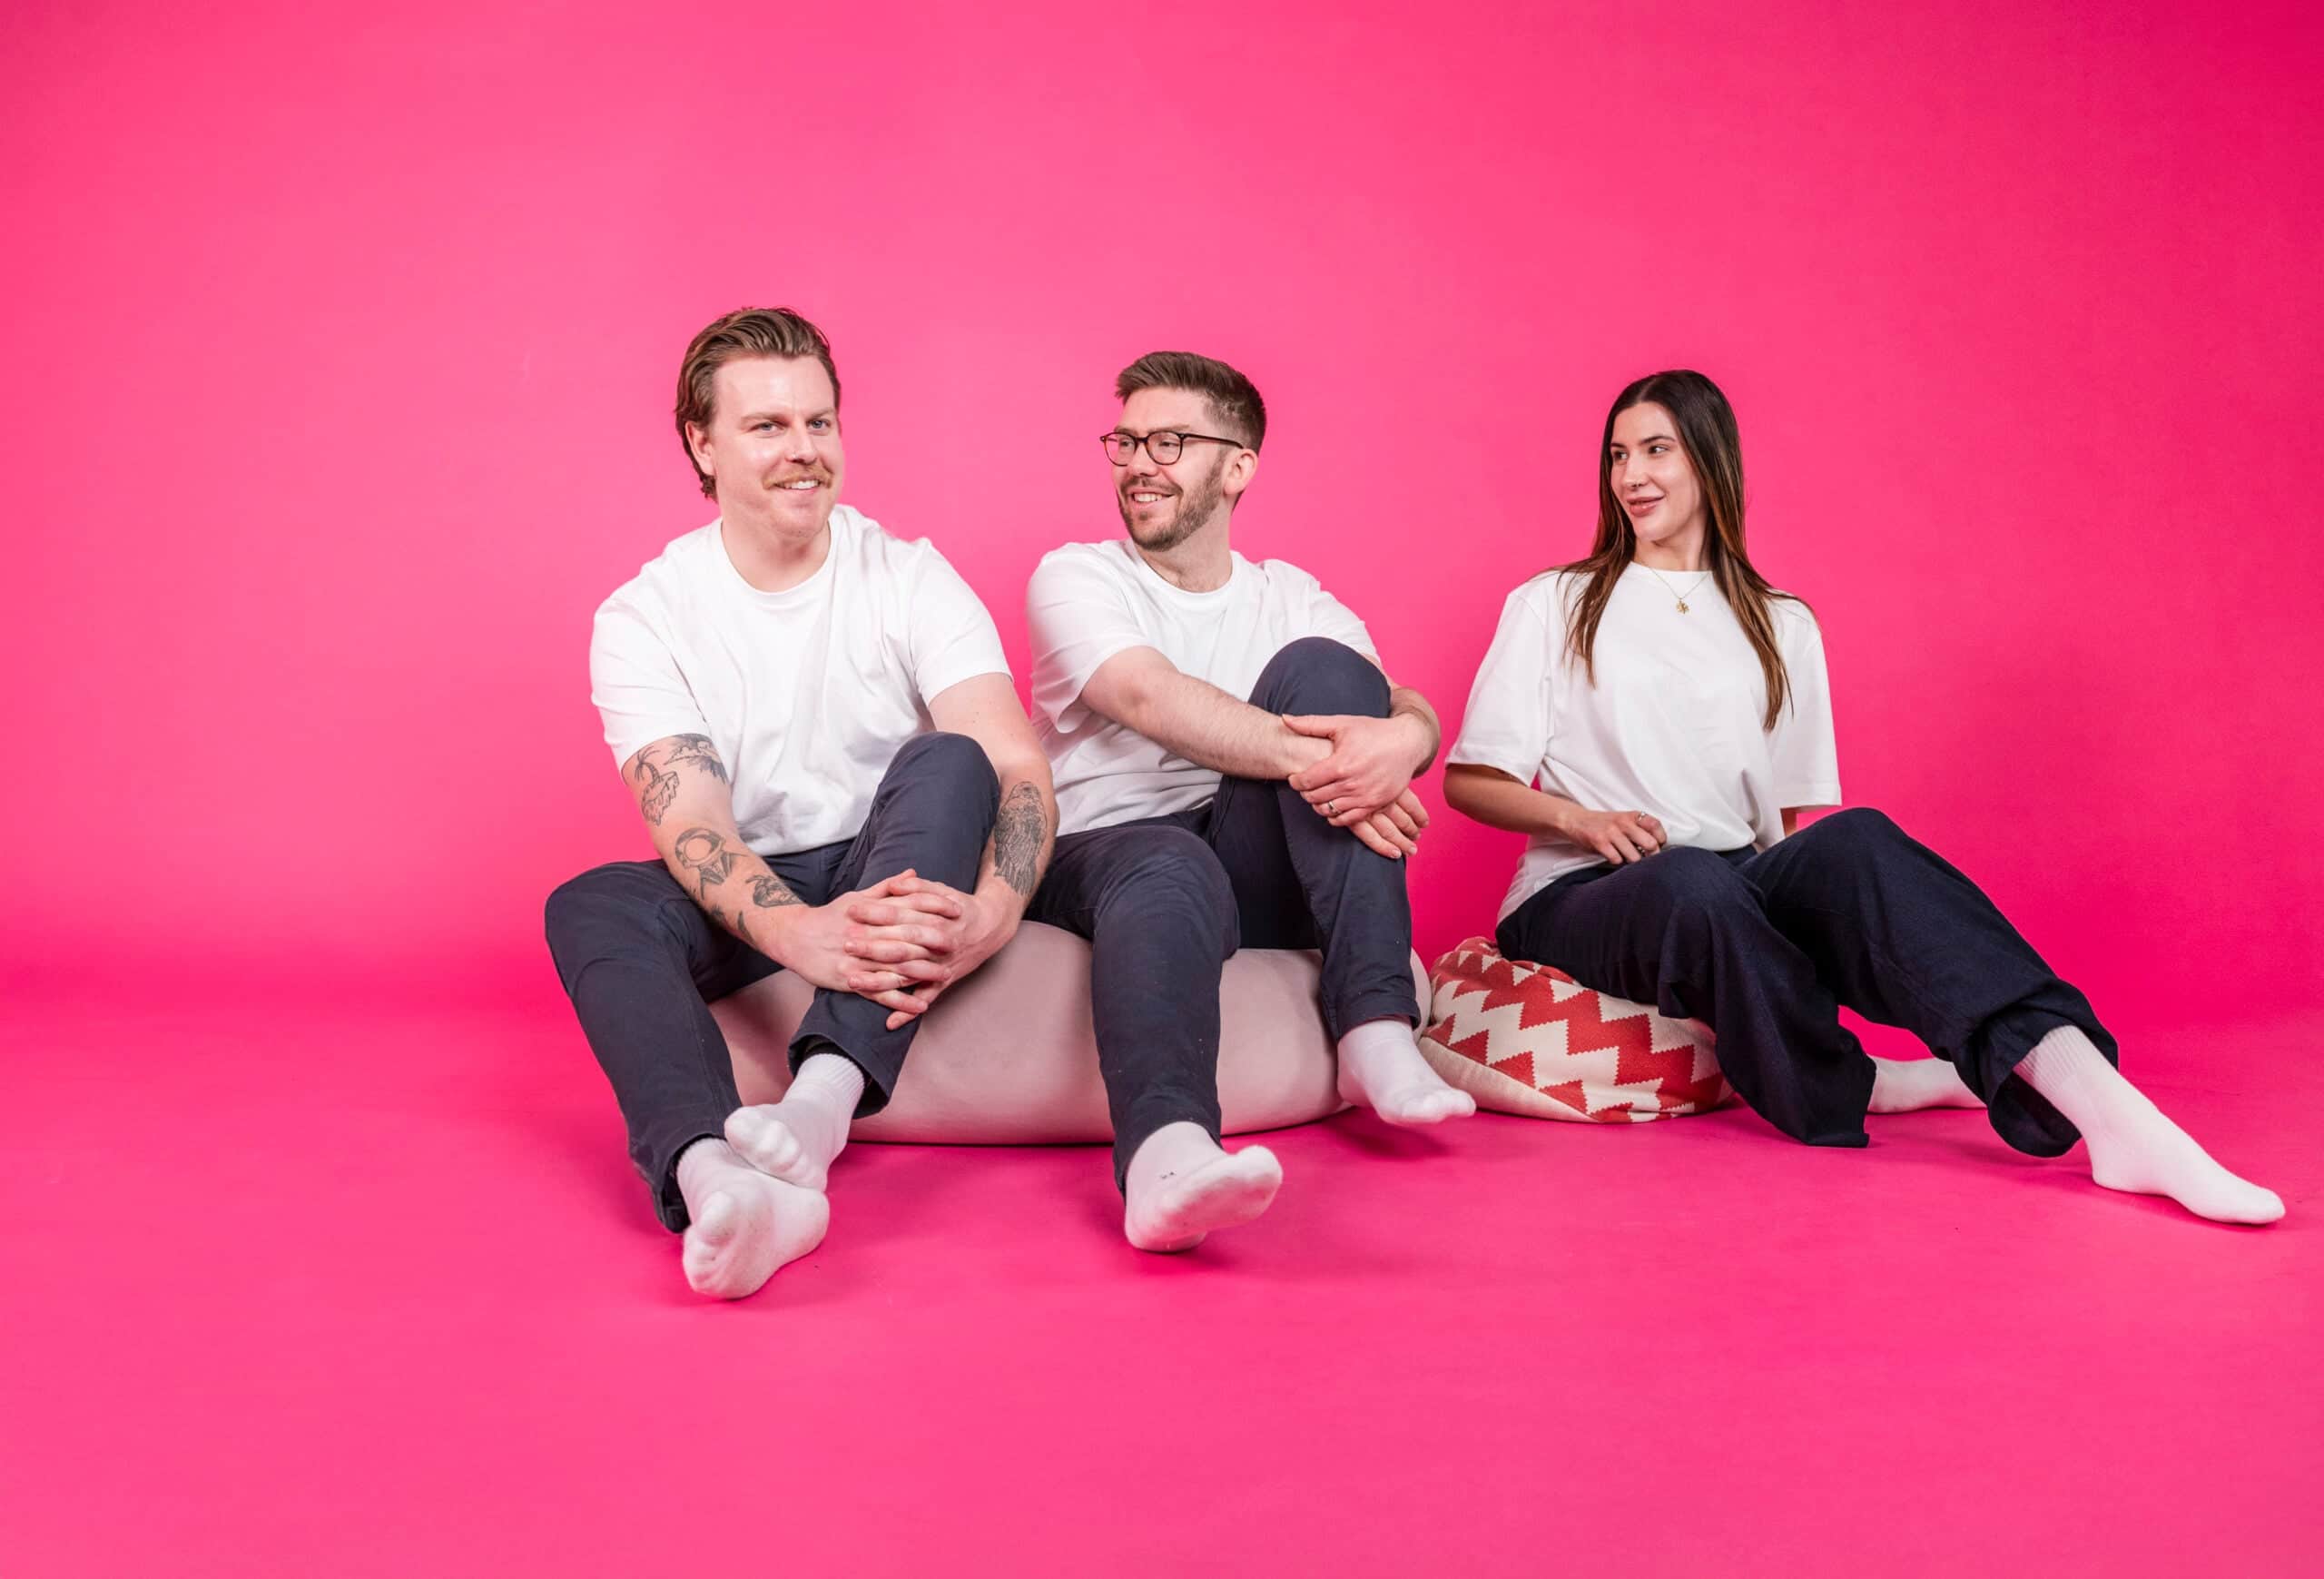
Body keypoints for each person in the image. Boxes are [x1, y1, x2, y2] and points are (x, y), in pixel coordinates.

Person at [1442, 369, 2280, 1225]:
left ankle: (2105, 1105)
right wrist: (1579, 819)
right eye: (1618, 454)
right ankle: (1862, 1082)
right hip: (1586, 891)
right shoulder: (1558, 602)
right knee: (1691, 878)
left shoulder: (1781, 622)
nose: (1632, 475)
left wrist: (1805, 923)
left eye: (1657, 449)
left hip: (1727, 883)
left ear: (1711, 460)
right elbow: (1470, 779)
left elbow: (1791, 830)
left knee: (1860, 843)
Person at [545, 308, 1057, 1298]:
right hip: (763, 877)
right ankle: (712, 1176)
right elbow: (691, 822)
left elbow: (1015, 764)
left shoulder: (906, 574)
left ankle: (818, 1111)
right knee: (591, 904)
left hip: (898, 853)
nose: (803, 452)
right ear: (703, 441)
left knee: (953, 761)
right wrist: (800, 934)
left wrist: (994, 916)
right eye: (768, 426)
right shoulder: (646, 614)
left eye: (819, 424)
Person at [1023, 350, 1475, 1256]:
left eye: (1170, 441)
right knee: (1171, 856)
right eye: (1126, 440)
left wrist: (1406, 743)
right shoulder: (1077, 576)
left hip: (1253, 861)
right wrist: (1340, 765)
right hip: (1108, 855)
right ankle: (1165, 1155)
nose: (1139, 462)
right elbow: (1146, 696)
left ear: (1237, 466)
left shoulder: (1289, 597)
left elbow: (1393, 702)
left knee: (1327, 671)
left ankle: (1375, 1026)